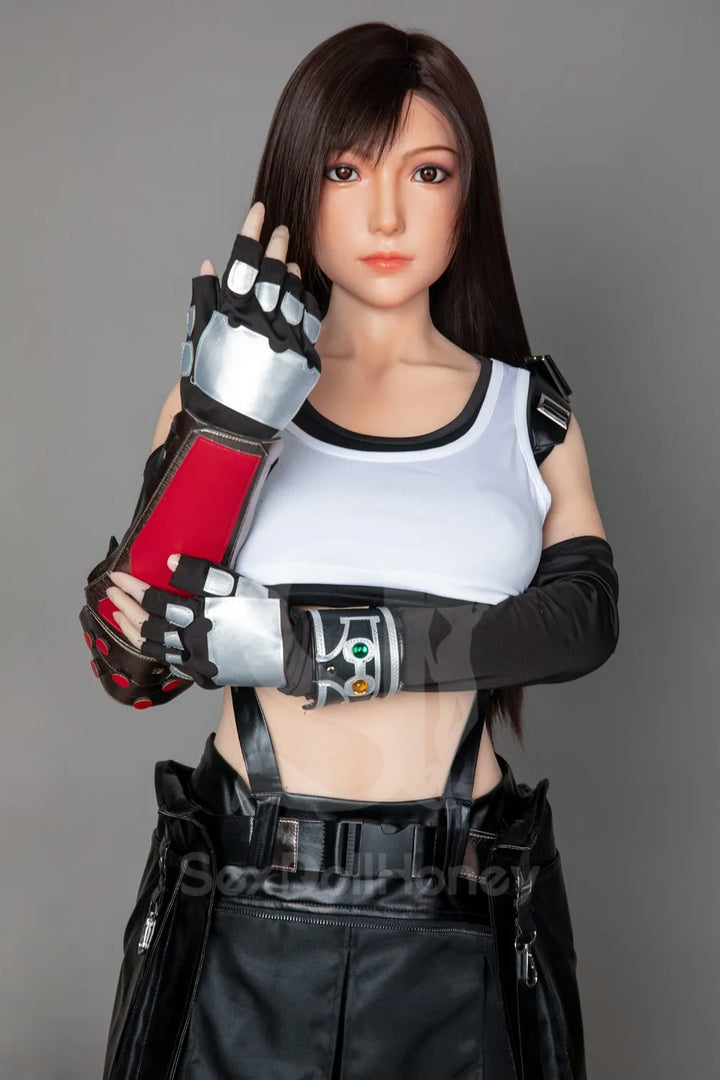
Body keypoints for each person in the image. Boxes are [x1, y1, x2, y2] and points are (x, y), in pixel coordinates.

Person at [90, 21, 619, 1080]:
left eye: (426, 172)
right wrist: (226, 426)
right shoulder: (223, 403)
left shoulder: (527, 416)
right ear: (300, 186)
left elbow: (580, 622)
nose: (385, 215)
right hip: (240, 907)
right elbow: (130, 663)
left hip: (461, 908)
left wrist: (308, 647)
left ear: (468, 198)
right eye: (346, 170)